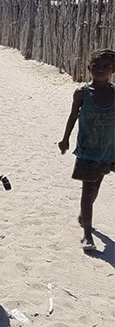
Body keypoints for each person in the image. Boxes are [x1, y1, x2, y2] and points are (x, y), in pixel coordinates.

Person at [57, 48, 115, 252]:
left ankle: (84, 216)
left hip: (108, 148)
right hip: (88, 149)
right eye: (96, 66)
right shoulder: (82, 94)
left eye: (106, 67)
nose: (101, 70)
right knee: (88, 189)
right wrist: (65, 140)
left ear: (113, 70)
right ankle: (87, 234)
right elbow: (72, 117)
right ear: (89, 68)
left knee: (97, 185)